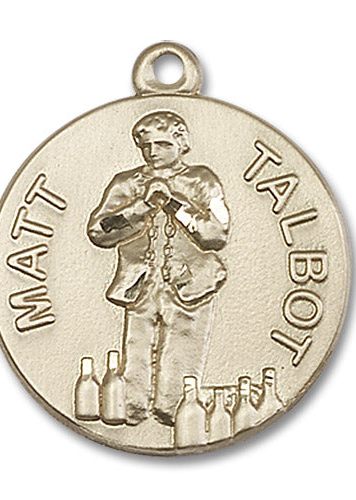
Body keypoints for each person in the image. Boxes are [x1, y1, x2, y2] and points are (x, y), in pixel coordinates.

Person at [87, 110, 230, 426]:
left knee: (182, 356)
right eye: (146, 145)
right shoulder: (126, 183)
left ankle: (178, 412)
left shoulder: (202, 180)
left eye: (163, 144)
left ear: (181, 143)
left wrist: (174, 205)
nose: (153, 152)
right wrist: (141, 208)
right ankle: (132, 408)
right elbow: (99, 231)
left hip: (193, 285)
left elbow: (217, 234)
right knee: (136, 354)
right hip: (139, 285)